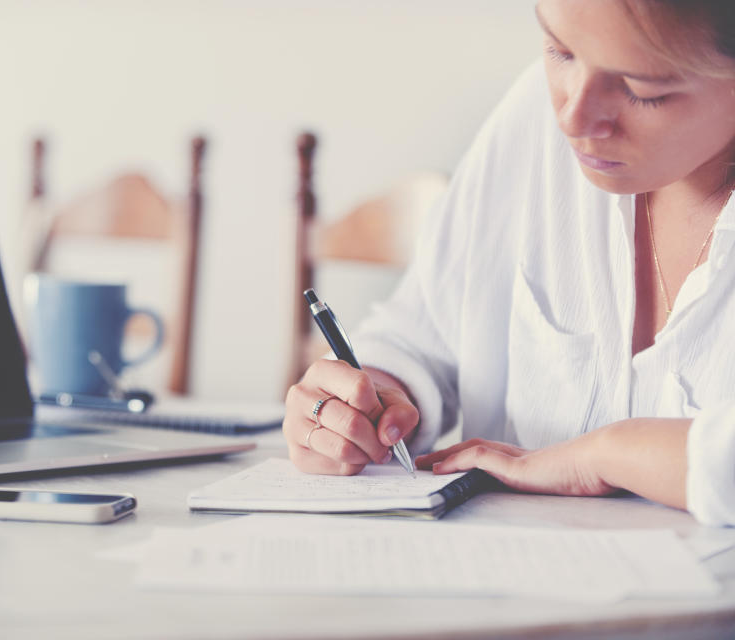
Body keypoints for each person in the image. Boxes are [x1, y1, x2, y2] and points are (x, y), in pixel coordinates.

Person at [283, 0, 735, 526]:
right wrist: (373, 397)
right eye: (560, 51)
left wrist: (604, 456)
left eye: (642, 90)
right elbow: (423, 331)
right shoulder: (534, 118)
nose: (572, 116)